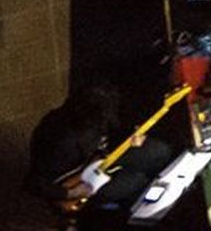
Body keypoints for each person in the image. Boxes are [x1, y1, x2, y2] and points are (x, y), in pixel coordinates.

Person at [26, 84, 177, 211]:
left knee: (160, 152)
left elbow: (113, 128)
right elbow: (34, 184)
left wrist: (130, 135)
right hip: (81, 180)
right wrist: (70, 193)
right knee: (136, 181)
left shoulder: (98, 111)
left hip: (102, 157)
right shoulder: (58, 142)